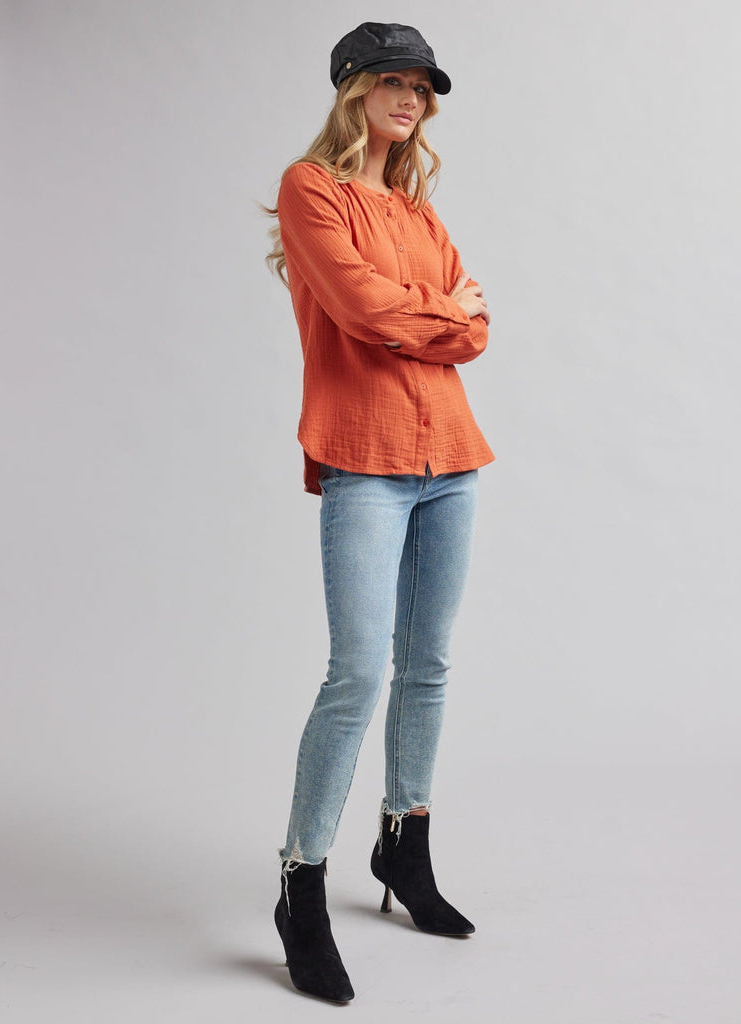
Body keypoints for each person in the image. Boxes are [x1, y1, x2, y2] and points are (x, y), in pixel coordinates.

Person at [263, 22, 494, 1003]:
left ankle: (404, 845)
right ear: (353, 89)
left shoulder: (420, 212)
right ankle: (300, 883)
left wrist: (446, 321)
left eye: (423, 86)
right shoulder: (311, 189)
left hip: (452, 460)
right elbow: (364, 312)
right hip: (363, 460)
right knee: (357, 670)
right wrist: (444, 315)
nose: (411, 98)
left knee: (429, 663)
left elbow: (479, 333)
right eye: (392, 80)